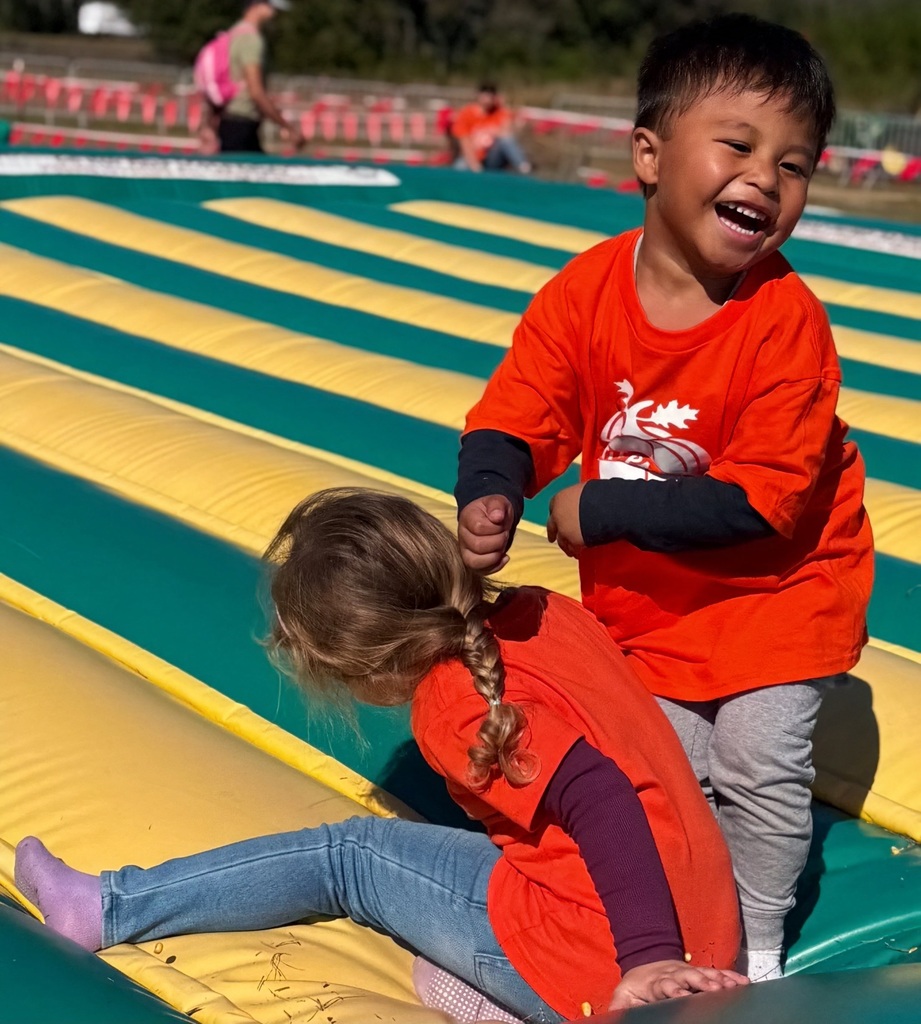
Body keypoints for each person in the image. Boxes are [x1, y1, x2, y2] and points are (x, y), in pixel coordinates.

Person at [454, 13, 874, 985]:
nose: (767, 178)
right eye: (738, 145)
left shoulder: (786, 326)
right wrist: (494, 487)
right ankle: (693, 927)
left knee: (761, 768)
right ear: (649, 154)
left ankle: (759, 951)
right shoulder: (587, 295)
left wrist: (594, 510)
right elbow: (523, 403)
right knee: (670, 781)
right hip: (654, 610)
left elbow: (761, 504)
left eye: (796, 164)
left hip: (781, 594)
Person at [16, 489, 746, 1023]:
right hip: (713, 933)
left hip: (620, 973)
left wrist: (648, 960)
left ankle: (106, 906)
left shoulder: (454, 705)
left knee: (353, 857)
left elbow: (600, 793)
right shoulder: (542, 610)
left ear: (356, 663)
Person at [216, 0, 303, 153]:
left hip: (227, 118)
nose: (274, 12)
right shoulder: (251, 39)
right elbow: (256, 91)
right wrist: (288, 127)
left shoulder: (234, 32)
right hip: (242, 121)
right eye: (270, 6)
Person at [451, 83, 532, 174]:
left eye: (490, 96)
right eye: (485, 95)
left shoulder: (499, 112)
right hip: (473, 156)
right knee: (459, 169)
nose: (487, 99)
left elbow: (507, 134)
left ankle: (524, 168)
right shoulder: (466, 113)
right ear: (478, 95)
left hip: (492, 158)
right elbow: (465, 142)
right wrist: (475, 165)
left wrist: (502, 104)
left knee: (506, 139)